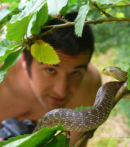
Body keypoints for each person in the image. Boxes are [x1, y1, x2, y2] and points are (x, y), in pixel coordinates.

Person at [0, 13, 102, 145]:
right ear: (25, 59)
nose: (61, 91)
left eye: (75, 73)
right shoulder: (2, 80)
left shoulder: (89, 87)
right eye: (50, 70)